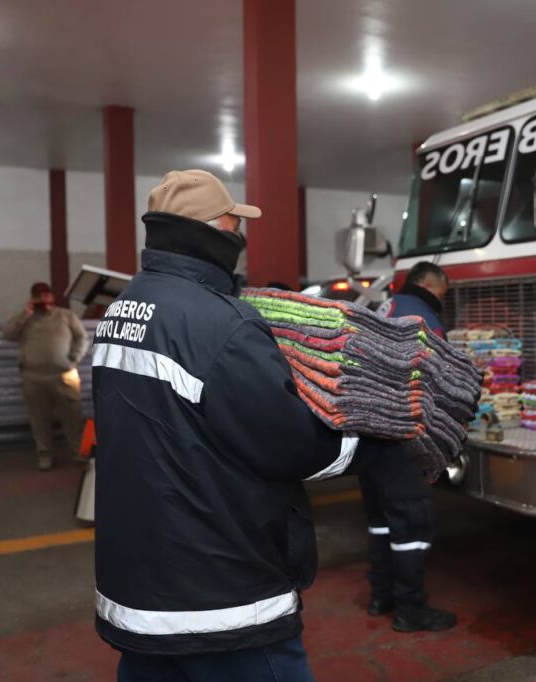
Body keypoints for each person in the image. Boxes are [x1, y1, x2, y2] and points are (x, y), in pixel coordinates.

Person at [92, 169, 356, 682]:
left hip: (140, 589)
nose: (241, 234)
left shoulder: (121, 309)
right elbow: (293, 447)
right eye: (236, 222)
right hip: (222, 596)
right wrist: (365, 441)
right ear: (215, 232)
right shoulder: (224, 325)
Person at [358, 261, 456, 632]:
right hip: (401, 433)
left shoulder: (386, 307)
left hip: (368, 431)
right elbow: (438, 376)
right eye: (443, 293)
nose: (442, 300)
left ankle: (380, 596)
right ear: (430, 285)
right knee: (411, 527)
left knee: (380, 521)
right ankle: (411, 611)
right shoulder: (423, 319)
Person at [2, 281, 88, 470]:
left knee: (73, 416)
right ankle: (45, 455)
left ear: (52, 296)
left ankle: (81, 452)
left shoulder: (65, 316)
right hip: (33, 377)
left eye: (46, 294)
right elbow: (8, 334)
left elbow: (82, 337)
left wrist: (73, 358)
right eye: (38, 295)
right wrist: (26, 313)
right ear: (32, 298)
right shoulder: (25, 318)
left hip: (64, 375)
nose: (43, 298)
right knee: (39, 419)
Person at [376, 261, 449, 337]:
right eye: (441, 295)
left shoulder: (389, 303)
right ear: (427, 286)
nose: (441, 300)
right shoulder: (431, 326)